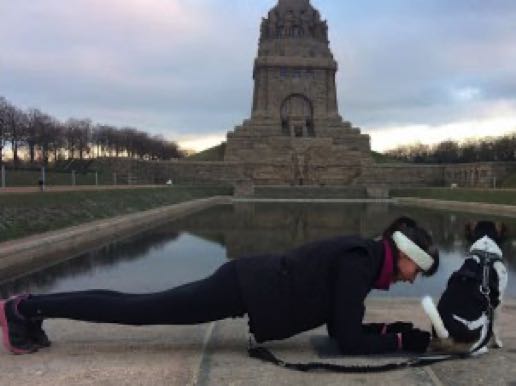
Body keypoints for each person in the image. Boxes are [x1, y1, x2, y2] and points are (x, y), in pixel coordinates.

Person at [0, 216, 439, 355]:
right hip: (242, 287)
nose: (411, 278)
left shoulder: (364, 257)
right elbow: (346, 338)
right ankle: (25, 308)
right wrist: (404, 342)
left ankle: (31, 308)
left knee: (139, 305)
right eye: (414, 269)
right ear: (402, 255)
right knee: (139, 308)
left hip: (245, 283)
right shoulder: (360, 265)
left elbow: (347, 323)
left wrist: (397, 331)